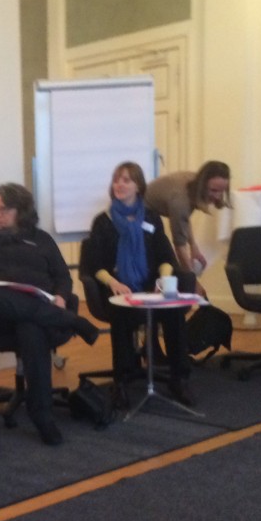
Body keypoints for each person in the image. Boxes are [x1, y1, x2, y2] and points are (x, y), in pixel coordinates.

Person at [0, 183, 100, 446]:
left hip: (40, 314)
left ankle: (42, 414)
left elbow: (62, 276)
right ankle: (74, 322)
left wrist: (61, 297)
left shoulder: (41, 240)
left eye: (4, 209)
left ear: (22, 211)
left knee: (30, 326)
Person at [82, 161, 194, 408]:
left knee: (174, 310)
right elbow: (94, 265)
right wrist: (114, 283)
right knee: (121, 311)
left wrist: (163, 280)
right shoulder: (103, 221)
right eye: (116, 180)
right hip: (117, 288)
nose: (119, 184)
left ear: (138, 187)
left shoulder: (152, 217)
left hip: (150, 286)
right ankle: (121, 381)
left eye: (126, 180)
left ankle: (179, 378)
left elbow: (166, 257)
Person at [145, 161, 231, 287]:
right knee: (172, 264)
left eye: (221, 191)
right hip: (142, 216)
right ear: (202, 185)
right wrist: (194, 282)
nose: (217, 197)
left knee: (178, 268)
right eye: (213, 190)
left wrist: (194, 247)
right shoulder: (181, 199)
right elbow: (179, 246)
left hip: (152, 214)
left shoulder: (194, 183)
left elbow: (184, 219)